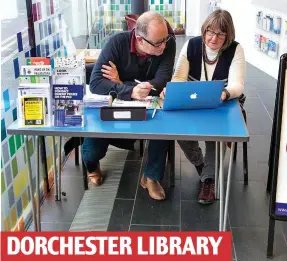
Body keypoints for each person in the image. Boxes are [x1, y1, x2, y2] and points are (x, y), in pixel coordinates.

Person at [81, 11, 176, 200]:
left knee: (164, 125)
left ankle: (151, 177)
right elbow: (96, 83)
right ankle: (92, 165)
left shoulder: (167, 43)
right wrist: (130, 90)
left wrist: (119, 83)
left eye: (166, 39)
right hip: (114, 105)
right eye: (158, 43)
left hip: (148, 104)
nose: (164, 46)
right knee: (92, 150)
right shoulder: (117, 43)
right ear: (140, 39)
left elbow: (162, 81)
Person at [160, 9, 246, 204]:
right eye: (210, 31)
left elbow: (237, 85)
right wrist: (172, 90)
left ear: (228, 35)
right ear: (204, 30)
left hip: (222, 101)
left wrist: (223, 93)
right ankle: (202, 165)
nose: (214, 38)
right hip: (193, 100)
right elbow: (179, 77)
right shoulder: (191, 45)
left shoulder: (235, 49)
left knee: (216, 134)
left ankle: (209, 179)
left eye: (220, 34)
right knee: (178, 130)